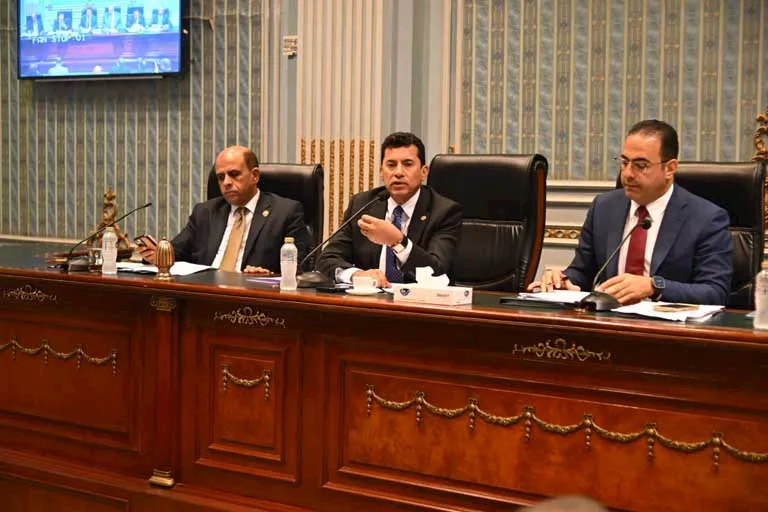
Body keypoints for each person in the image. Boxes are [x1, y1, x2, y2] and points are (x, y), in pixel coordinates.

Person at [528, 119, 732, 305]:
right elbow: (582, 272)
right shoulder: (604, 207)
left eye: (640, 166)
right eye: (624, 162)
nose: (627, 174)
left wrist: (654, 286)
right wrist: (563, 280)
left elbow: (715, 292)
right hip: (609, 322)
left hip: (669, 328)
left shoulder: (706, 218)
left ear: (670, 168)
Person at [315, 131, 462, 287]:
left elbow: (437, 271)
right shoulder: (362, 205)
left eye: (408, 164)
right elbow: (326, 259)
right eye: (391, 165)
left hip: (418, 301)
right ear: (381, 171)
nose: (398, 173)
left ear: (424, 172)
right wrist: (356, 275)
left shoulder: (444, 211)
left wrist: (397, 242)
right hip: (370, 299)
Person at [138, 146, 310, 274]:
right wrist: (157, 253)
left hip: (254, 298)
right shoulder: (205, 212)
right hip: (205, 293)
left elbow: (301, 268)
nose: (226, 182)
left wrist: (269, 275)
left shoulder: (285, 212)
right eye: (221, 177)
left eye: (234, 174)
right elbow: (176, 252)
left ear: (254, 175)